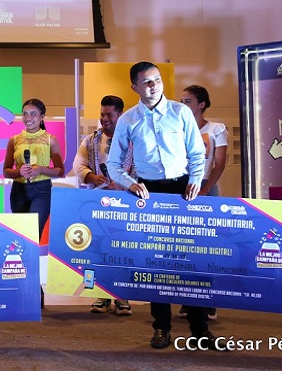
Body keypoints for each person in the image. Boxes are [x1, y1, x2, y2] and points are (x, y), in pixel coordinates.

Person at [107, 61, 215, 350]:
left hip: (183, 190)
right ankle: (161, 328)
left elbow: (197, 152)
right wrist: (130, 184)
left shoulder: (181, 113)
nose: (153, 85)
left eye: (156, 79)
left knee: (191, 261)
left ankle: (200, 330)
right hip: (149, 192)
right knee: (155, 263)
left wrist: (196, 179)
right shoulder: (128, 120)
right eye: (147, 81)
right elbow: (113, 164)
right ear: (135, 87)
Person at [71, 95, 133, 315]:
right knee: (98, 250)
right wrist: (92, 177)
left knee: (121, 250)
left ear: (120, 115)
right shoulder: (91, 141)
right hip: (97, 203)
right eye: (102, 114)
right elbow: (78, 164)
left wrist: (125, 184)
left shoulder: (133, 140)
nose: (104, 119)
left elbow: (143, 169)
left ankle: (122, 297)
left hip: (126, 202)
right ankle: (102, 295)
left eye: (109, 115)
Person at [178, 84, 227, 321]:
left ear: (202, 104)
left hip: (206, 187)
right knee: (183, 246)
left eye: (188, 101)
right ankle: (187, 300)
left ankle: (208, 301)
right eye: (181, 102)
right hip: (182, 187)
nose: (183, 105)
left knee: (207, 247)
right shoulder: (177, 128)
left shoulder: (216, 129)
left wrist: (206, 188)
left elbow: (220, 163)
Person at [3, 98, 65, 238]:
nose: (28, 118)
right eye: (25, 114)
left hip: (42, 190)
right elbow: (6, 171)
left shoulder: (50, 140)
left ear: (42, 116)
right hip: (18, 190)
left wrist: (41, 169)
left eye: (33, 114)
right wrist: (19, 171)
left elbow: (60, 170)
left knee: (34, 233)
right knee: (20, 234)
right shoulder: (14, 140)